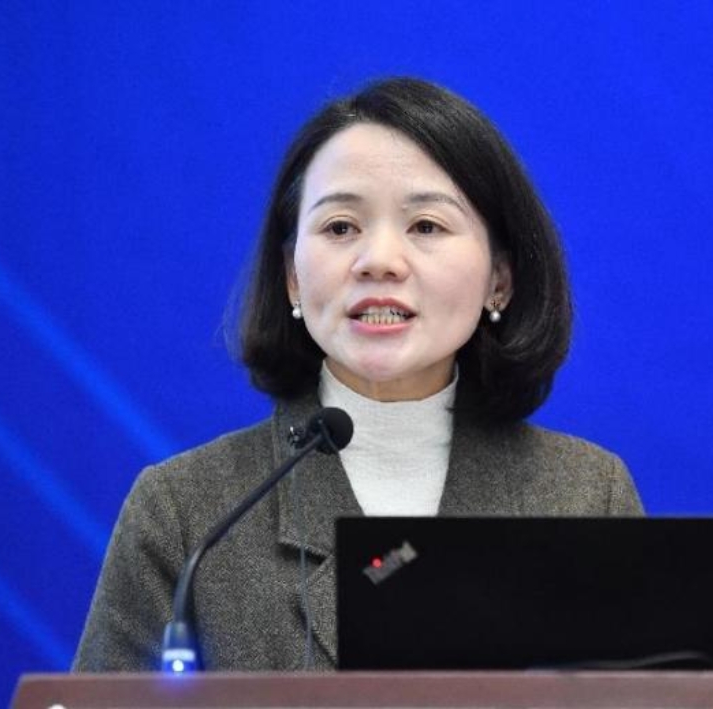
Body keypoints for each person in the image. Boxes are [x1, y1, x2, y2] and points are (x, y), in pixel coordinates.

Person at [73, 77, 643, 672]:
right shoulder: (187, 515)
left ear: (499, 278)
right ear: (292, 276)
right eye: (341, 227)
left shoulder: (585, 498)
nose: (379, 262)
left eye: (426, 226)